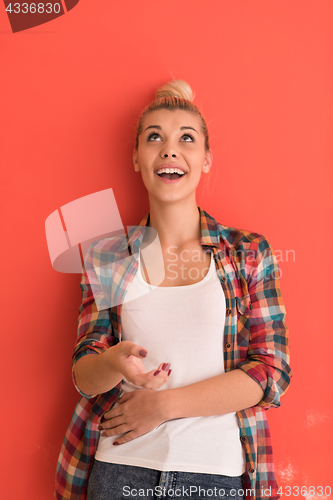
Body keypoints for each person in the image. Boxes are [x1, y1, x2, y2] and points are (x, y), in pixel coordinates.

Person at [55, 79, 292, 500]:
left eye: (186, 137)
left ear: (205, 159)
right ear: (136, 157)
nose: (169, 149)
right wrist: (112, 361)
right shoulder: (106, 257)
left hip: (217, 477)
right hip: (119, 472)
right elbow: (84, 375)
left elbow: (271, 374)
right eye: (154, 138)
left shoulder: (248, 252)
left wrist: (165, 405)